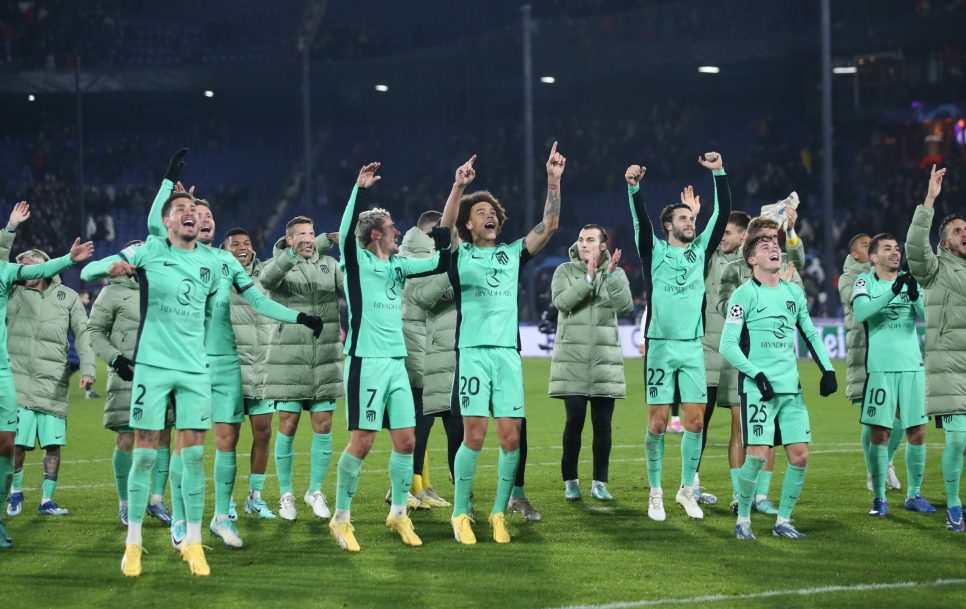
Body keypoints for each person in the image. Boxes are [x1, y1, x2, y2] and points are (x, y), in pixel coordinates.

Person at [147, 156, 323, 549]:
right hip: (189, 363)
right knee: (187, 444)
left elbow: (259, 301)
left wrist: (299, 317)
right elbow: (153, 227)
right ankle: (180, 519)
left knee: (227, 441)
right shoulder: (172, 254)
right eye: (195, 213)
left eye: (209, 215)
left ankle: (222, 517)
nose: (204, 218)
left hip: (226, 363)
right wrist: (168, 183)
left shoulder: (226, 261)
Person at [439, 143, 563, 544]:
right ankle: (460, 513)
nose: (489, 215)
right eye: (481, 213)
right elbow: (445, 229)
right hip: (473, 355)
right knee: (473, 435)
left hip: (507, 356)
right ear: (469, 225)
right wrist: (459, 188)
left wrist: (553, 180)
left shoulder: (512, 254)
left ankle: (497, 512)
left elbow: (550, 224)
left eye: (492, 212)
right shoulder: (460, 255)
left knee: (511, 438)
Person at [329, 162, 451, 552]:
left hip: (397, 363)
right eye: (393, 226)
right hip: (365, 361)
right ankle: (342, 518)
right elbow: (347, 232)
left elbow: (438, 263)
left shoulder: (398, 265)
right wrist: (358, 190)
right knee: (362, 442)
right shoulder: (357, 261)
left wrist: (446, 241)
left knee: (406, 441)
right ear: (377, 233)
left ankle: (399, 513)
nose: (399, 230)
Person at [624, 153, 730, 522]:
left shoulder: (700, 251)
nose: (690, 222)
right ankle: (655, 493)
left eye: (691, 217)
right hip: (660, 348)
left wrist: (718, 173)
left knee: (696, 422)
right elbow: (639, 219)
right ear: (667, 225)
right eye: (683, 218)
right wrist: (634, 186)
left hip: (691, 348)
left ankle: (686, 489)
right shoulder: (652, 249)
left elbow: (722, 214)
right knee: (656, 423)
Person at [720, 233, 838, 540]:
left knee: (800, 456)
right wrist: (756, 375)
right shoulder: (743, 295)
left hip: (791, 388)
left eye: (776, 246)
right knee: (757, 455)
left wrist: (828, 369)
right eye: (765, 247)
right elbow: (728, 345)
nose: (774, 249)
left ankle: (783, 521)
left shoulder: (793, 293)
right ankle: (743, 520)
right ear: (751, 260)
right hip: (759, 390)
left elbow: (810, 333)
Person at [0, 215, 93, 549]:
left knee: (53, 445)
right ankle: (15, 493)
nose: (21, 268)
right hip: (18, 380)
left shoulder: (66, 297)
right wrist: (11, 228)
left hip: (53, 380)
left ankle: (47, 499)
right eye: (19, 264)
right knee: (17, 444)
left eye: (27, 264)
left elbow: (83, 334)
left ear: (44, 267)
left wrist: (88, 368)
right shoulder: (11, 293)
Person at [716, 215, 805, 514]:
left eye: (775, 239)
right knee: (741, 430)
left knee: (772, 434)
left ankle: (761, 496)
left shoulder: (783, 272)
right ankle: (738, 492)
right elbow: (723, 306)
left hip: (776, 364)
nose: (772, 245)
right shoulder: (733, 270)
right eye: (765, 239)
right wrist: (757, 292)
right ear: (751, 241)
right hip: (742, 359)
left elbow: (799, 278)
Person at [259, 217, 343, 523]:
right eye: (302, 234)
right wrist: (292, 254)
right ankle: (285, 494)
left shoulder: (329, 265)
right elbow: (267, 281)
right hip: (288, 358)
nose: (308, 238)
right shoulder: (278, 264)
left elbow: (350, 285)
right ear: (290, 239)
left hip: (324, 356)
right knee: (288, 424)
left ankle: (315, 491)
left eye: (311, 232)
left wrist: (346, 247)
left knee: (323, 424)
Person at [87, 238, 174, 526]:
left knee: (162, 436)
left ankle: (157, 501)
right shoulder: (112, 293)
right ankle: (125, 503)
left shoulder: (162, 287)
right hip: (127, 374)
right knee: (126, 438)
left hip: (162, 374)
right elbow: (95, 332)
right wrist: (115, 360)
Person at [852, 233, 934, 517]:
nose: (895, 252)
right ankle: (879, 498)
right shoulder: (865, 282)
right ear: (874, 257)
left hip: (912, 366)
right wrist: (892, 291)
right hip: (882, 369)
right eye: (887, 248)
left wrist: (913, 295)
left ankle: (914, 495)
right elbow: (861, 311)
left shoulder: (912, 282)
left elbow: (929, 317)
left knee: (917, 432)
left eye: (897, 248)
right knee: (880, 433)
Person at [549, 224, 632, 501]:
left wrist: (609, 278)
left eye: (591, 240)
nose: (584, 244)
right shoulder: (564, 271)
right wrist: (587, 279)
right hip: (572, 362)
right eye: (581, 239)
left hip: (604, 363)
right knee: (574, 421)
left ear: (603, 245)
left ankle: (599, 482)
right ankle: (570, 480)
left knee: (603, 425)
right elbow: (561, 302)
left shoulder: (616, 273)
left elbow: (625, 307)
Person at [905, 165, 966, 532]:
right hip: (949, 368)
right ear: (944, 242)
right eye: (958, 231)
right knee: (957, 441)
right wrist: (929, 200)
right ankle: (954, 506)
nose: (964, 235)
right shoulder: (933, 268)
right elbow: (914, 248)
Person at [695, 209, 751, 506]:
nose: (722, 238)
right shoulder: (710, 255)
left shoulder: (752, 261)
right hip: (705, 350)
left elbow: (794, 262)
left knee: (740, 427)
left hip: (737, 356)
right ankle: (691, 484)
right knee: (698, 422)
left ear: (744, 235)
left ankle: (740, 492)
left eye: (728, 233)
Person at [840, 233, 904, 493]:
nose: (873, 249)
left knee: (899, 416)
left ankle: (885, 461)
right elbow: (856, 303)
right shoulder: (850, 278)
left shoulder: (885, 275)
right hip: (864, 354)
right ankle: (872, 470)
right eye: (867, 246)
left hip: (891, 352)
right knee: (873, 417)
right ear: (855, 254)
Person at [401, 210, 451, 509]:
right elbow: (426, 296)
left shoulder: (419, 251)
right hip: (414, 338)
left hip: (423, 337)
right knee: (419, 415)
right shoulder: (420, 254)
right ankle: (408, 485)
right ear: (433, 230)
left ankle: (421, 483)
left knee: (424, 415)